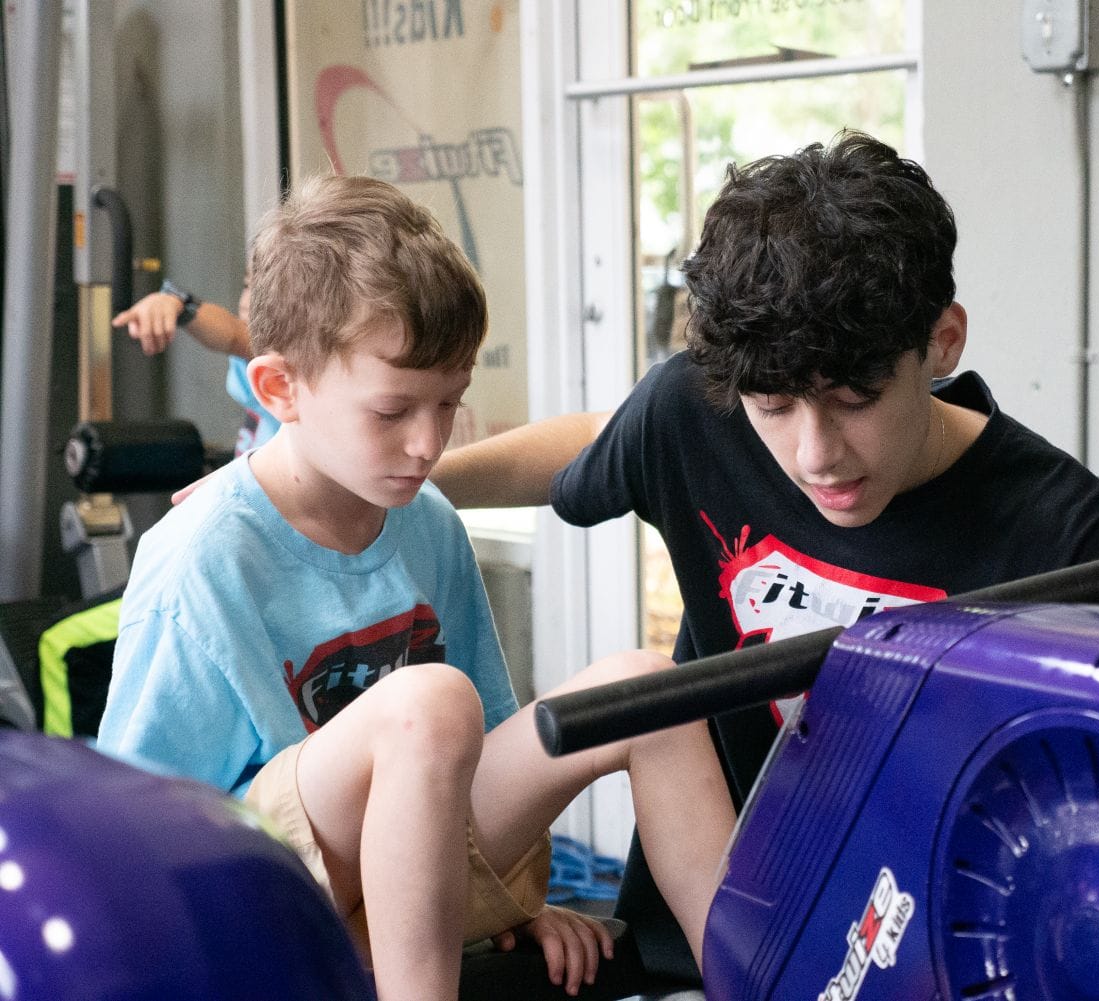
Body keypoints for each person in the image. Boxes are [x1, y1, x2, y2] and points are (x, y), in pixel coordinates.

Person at [431, 130, 1099, 975]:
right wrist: (404, 480)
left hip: (934, 958)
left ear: (942, 341)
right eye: (774, 407)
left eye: (855, 399)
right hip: (699, 951)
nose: (815, 455)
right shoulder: (697, 414)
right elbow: (592, 443)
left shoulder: (1064, 537)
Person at [96, 174, 735, 1001]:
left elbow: (490, 739)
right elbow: (132, 832)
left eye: (450, 402)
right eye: (394, 410)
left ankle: (761, 981)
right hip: (257, 896)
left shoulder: (427, 518)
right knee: (428, 701)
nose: (429, 441)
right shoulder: (200, 557)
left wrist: (514, 899)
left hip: (416, 873)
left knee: (647, 690)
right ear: (279, 390)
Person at [113, 269, 280, 455]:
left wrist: (181, 306)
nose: (250, 302)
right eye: (248, 285)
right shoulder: (252, 373)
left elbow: (236, 336)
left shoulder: (292, 379)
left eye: (270, 289)